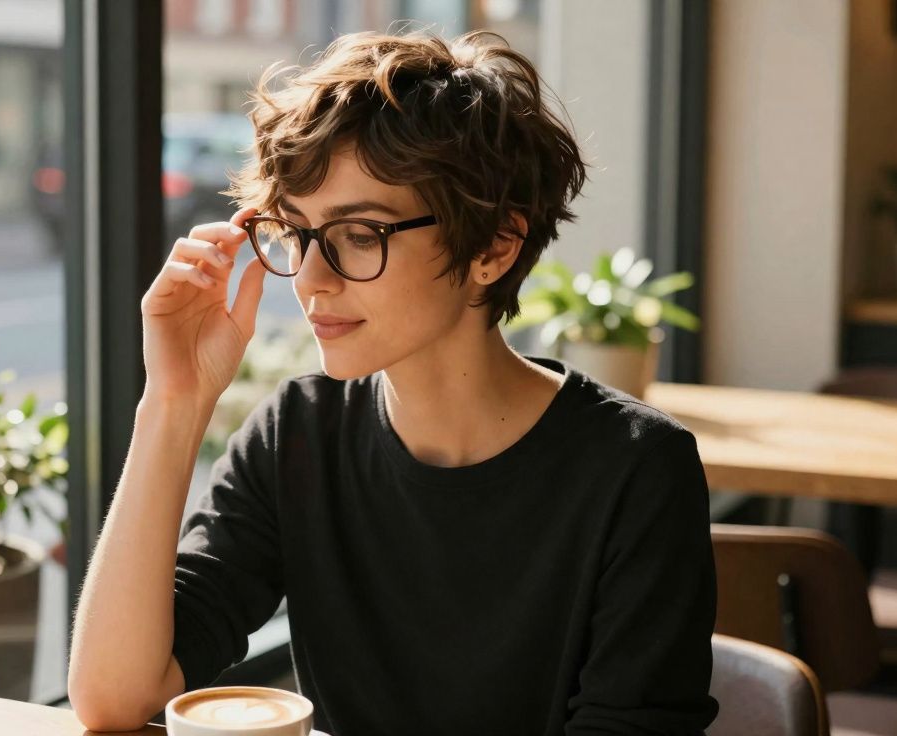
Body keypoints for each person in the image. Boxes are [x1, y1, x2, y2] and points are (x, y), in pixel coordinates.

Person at [68, 29, 719, 735]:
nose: (311, 280)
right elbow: (114, 697)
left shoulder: (636, 470)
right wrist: (173, 402)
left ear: (494, 246)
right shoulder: (298, 434)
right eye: (296, 232)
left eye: (359, 235)